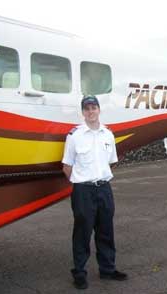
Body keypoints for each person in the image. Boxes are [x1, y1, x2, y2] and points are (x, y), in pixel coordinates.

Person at [62, 95, 127, 290]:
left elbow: (111, 161)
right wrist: (82, 181)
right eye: (87, 108)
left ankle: (107, 269)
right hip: (83, 190)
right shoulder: (74, 136)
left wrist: (99, 178)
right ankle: (80, 273)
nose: (91, 111)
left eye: (94, 107)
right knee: (82, 232)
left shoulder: (108, 134)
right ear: (83, 112)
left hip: (104, 188)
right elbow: (66, 166)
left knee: (106, 230)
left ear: (99, 110)